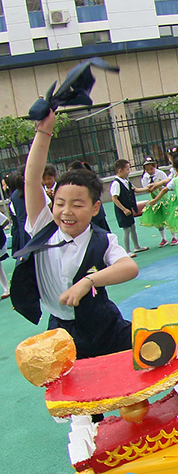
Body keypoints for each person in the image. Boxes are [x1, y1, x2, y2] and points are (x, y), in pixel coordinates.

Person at [12, 110, 137, 360]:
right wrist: (44, 131)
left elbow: (129, 267)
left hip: (104, 328)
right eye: (60, 203)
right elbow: (31, 179)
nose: (66, 212)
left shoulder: (102, 239)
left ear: (94, 208)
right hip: (61, 332)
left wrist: (88, 281)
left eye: (77, 205)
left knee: (126, 385)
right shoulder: (42, 229)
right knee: (70, 394)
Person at [109, 159, 148, 256]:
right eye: (127, 169)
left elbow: (135, 189)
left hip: (129, 209)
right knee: (126, 230)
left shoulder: (126, 181)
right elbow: (114, 198)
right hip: (123, 210)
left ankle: (136, 246)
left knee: (132, 227)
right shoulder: (116, 183)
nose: (129, 171)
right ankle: (127, 251)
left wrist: (148, 189)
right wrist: (124, 209)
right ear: (120, 170)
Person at [5, 171, 30, 258]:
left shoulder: (14, 197)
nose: (5, 188)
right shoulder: (29, 191)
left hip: (23, 233)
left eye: (6, 185)